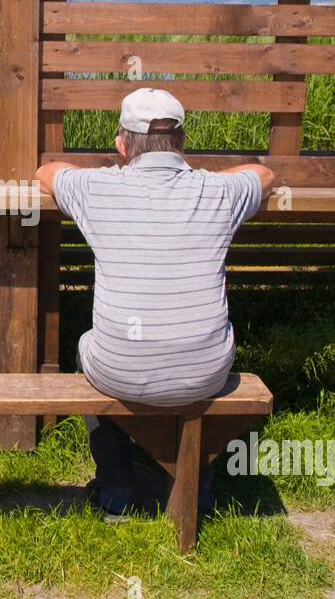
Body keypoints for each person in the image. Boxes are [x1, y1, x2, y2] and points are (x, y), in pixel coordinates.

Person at [34, 87, 275, 520]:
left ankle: (116, 492)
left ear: (122, 144)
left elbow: (47, 171)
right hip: (205, 371)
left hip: (119, 368)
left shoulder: (96, 187)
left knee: (87, 348)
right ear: (182, 142)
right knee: (195, 352)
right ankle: (196, 493)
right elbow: (264, 174)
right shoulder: (218, 191)